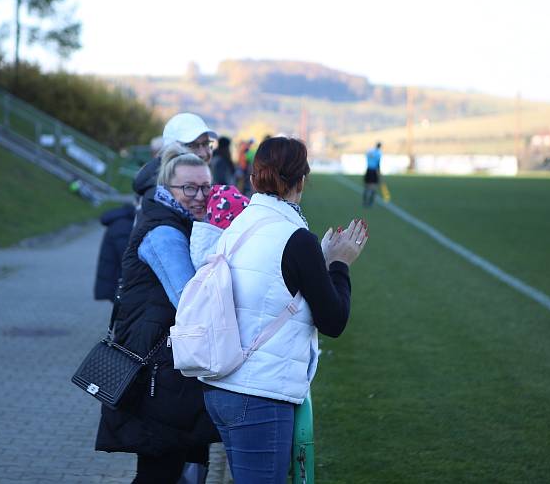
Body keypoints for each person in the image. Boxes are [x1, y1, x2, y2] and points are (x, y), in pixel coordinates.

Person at [200, 136, 368, 484]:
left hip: (220, 387)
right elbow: (333, 320)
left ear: (254, 177)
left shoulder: (241, 224)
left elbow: (273, 285)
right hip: (259, 394)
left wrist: (318, 261)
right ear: (301, 180)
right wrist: (339, 264)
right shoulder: (295, 236)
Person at [95, 144, 220, 484]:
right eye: (189, 188)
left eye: (207, 187)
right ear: (166, 189)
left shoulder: (177, 221)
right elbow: (191, 302)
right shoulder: (164, 232)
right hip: (154, 374)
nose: (200, 196)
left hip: (164, 369)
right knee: (159, 472)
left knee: (172, 468)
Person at [132, 113, 217, 201]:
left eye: (206, 143)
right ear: (170, 152)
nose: (203, 153)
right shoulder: (161, 200)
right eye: (192, 145)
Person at [363, 142, 383, 207]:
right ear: (380, 147)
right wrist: (379, 174)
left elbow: (366, 157)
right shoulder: (379, 153)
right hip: (374, 171)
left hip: (368, 170)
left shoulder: (370, 151)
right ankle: (371, 202)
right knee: (374, 188)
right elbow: (378, 164)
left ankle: (365, 202)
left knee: (367, 187)